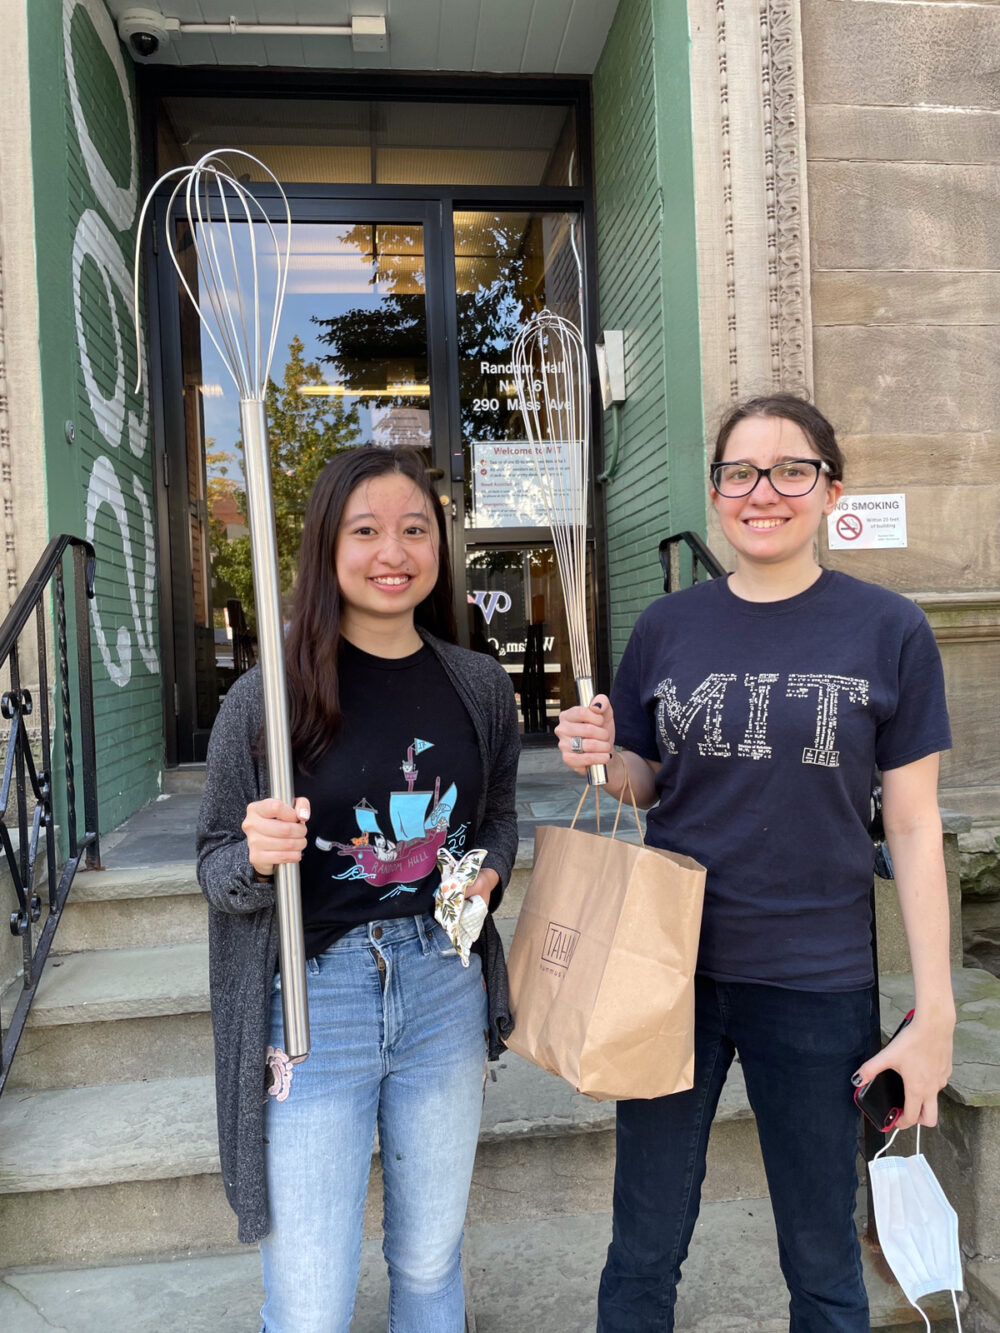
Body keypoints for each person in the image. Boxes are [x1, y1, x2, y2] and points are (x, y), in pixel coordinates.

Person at [556, 395, 955, 1332]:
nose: (762, 491)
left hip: (817, 983)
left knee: (822, 1263)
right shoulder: (666, 627)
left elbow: (913, 826)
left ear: (830, 491)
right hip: (668, 972)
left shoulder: (890, 630)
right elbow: (646, 781)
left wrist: (933, 1011)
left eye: (791, 470)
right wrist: (598, 754)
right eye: (739, 472)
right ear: (717, 491)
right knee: (643, 1247)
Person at [196, 445, 520, 1333]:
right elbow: (214, 868)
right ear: (326, 549)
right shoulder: (267, 700)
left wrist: (488, 873)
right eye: (366, 529)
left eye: (415, 529)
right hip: (311, 1002)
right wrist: (257, 857)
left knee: (427, 1260)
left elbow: (497, 818)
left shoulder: (479, 686)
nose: (394, 551)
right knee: (309, 1298)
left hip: (442, 987)